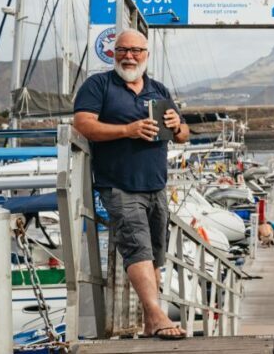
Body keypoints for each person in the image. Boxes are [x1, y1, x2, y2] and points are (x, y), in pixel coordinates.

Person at [73, 28, 190, 340]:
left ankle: (151, 322)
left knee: (153, 253)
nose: (129, 56)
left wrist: (178, 126)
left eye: (136, 51)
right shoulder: (98, 85)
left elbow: (183, 135)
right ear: (113, 53)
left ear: (146, 55)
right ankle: (157, 315)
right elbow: (83, 124)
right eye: (123, 50)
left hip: (156, 184)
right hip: (119, 184)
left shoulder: (158, 88)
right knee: (137, 248)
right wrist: (128, 130)